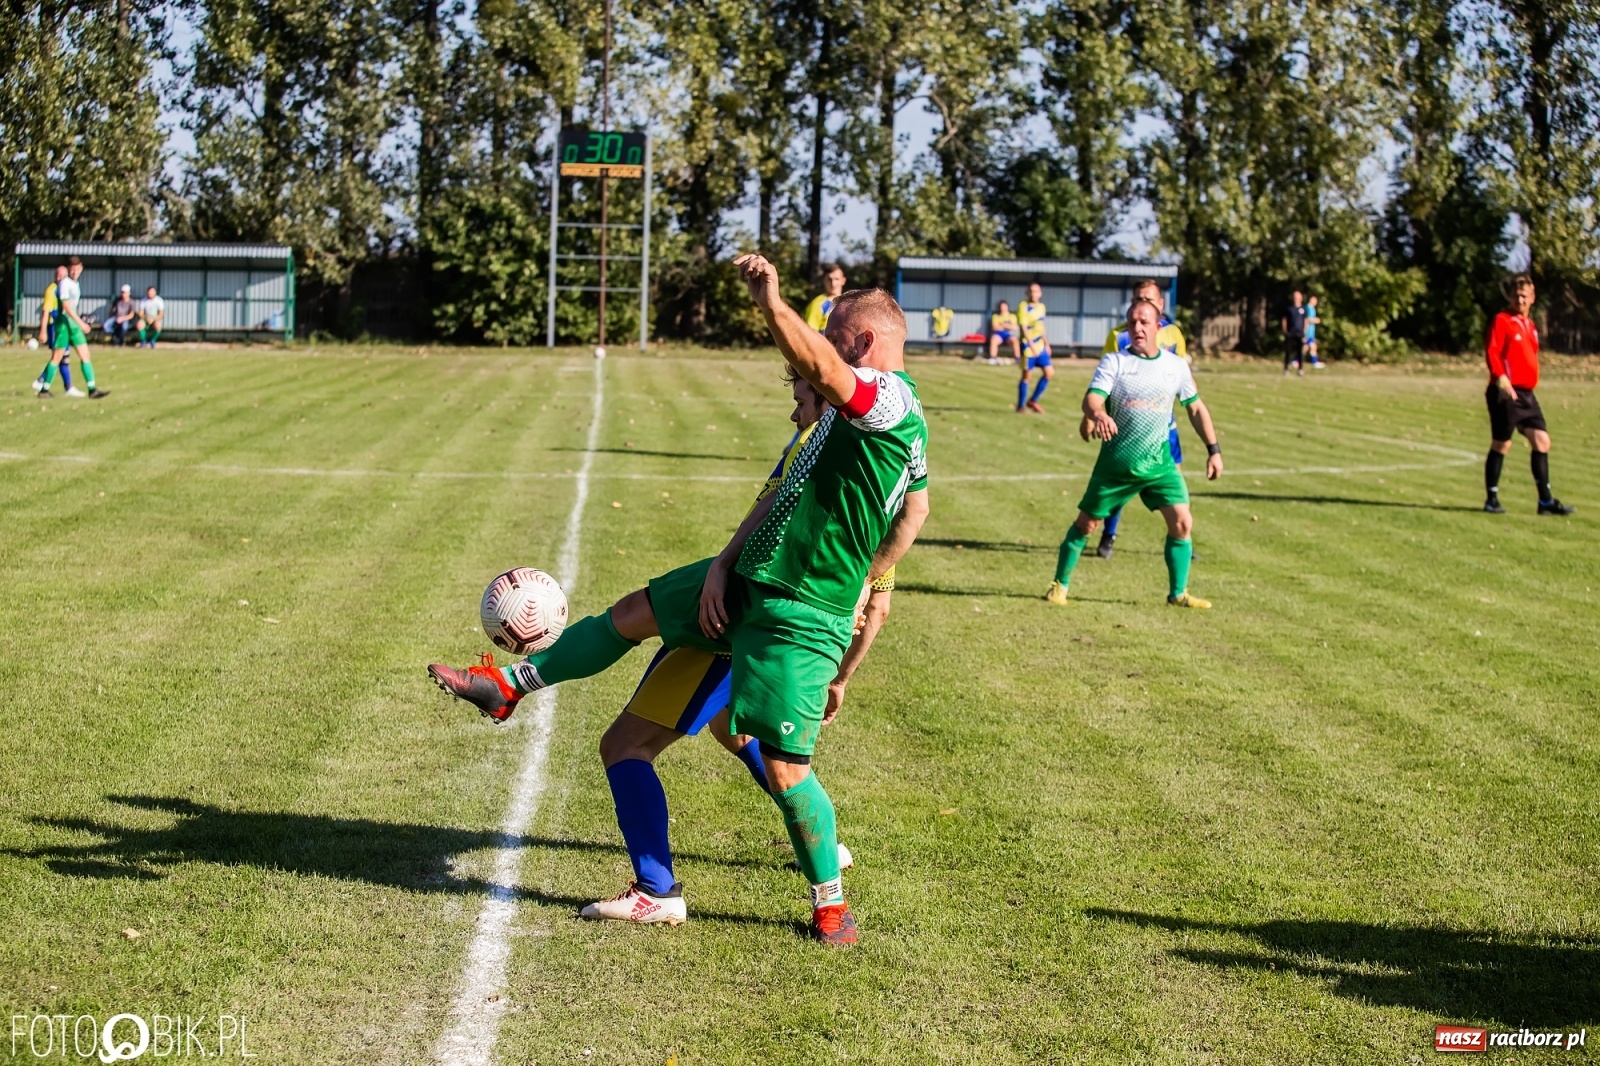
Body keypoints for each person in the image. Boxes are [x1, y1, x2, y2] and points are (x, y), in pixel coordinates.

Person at [429, 254, 930, 946]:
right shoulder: (831, 428)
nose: (824, 342)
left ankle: (831, 907)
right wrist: (724, 563)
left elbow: (902, 503)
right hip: (743, 578)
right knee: (630, 642)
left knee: (786, 768)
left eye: (834, 330)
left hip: (799, 608)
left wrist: (770, 301)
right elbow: (887, 508)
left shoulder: (890, 400)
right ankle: (513, 689)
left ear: (864, 342)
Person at [578, 372, 913, 926]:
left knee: (631, 746)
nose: (794, 416)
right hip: (767, 623)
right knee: (733, 730)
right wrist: (842, 675)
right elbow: (878, 602)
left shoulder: (822, 474)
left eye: (802, 401)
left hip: (744, 625)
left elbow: (867, 595)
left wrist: (723, 570)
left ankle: (661, 892)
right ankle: (827, 857)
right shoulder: (874, 484)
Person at [1046, 298, 1222, 609]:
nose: (1137, 327)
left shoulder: (1176, 366)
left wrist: (1213, 450)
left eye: (1143, 322)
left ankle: (1178, 594)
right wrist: (1099, 414)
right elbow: (1091, 400)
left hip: (1160, 464)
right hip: (1116, 465)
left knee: (1182, 522)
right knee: (1087, 524)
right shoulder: (1115, 363)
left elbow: (1195, 407)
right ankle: (1059, 585)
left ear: (1158, 326)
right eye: (1132, 322)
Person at [1096, 279, 1188, 560]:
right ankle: (1108, 535)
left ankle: (1182, 536)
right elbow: (1104, 383)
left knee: (1175, 484)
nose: (1143, 303)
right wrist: (1095, 415)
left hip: (1165, 427)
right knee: (1120, 485)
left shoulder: (1174, 335)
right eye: (1138, 298)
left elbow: (1181, 378)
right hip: (1128, 428)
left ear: (1160, 305)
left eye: (1149, 299)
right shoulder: (1118, 336)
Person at [1483, 274, 1573, 516]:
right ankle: (1491, 498)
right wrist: (1502, 380)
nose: (1520, 299)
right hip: (1506, 392)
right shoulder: (1502, 320)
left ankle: (1545, 503)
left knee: (1542, 441)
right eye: (1516, 294)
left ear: (1532, 299)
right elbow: (1493, 352)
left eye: (1524, 295)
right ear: (1511, 296)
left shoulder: (1530, 326)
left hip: (1527, 395)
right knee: (1502, 444)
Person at [51, 257, 109, 400]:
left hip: (73, 325)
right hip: (65, 324)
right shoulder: (65, 283)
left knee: (85, 355)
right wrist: (81, 323)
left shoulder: (75, 284)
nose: (75, 271)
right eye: (72, 268)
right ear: (68, 268)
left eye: (77, 268)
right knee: (56, 357)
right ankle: (44, 388)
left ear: (81, 268)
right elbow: (65, 307)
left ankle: (92, 389)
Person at [31, 265, 74, 397]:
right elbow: (46, 312)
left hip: (62, 327)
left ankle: (67, 387)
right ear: (55, 276)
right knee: (59, 356)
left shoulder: (65, 288)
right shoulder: (52, 290)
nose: (61, 278)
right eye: (58, 275)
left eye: (63, 275)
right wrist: (43, 330)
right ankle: (42, 381)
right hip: (54, 328)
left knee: (61, 357)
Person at [1016, 283, 1051, 412]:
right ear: (1027, 293)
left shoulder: (1042, 307)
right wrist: (1031, 345)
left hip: (1040, 345)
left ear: (1040, 293)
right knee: (1027, 376)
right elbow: (1023, 327)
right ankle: (1021, 406)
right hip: (1028, 346)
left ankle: (1033, 400)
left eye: (1036, 291)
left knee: (1049, 373)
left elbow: (1041, 327)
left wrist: (1046, 343)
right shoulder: (1023, 306)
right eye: (1031, 291)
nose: (1033, 294)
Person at [804, 263, 847, 332]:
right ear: (824, 280)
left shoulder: (849, 303)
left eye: (836, 279)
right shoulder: (817, 304)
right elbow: (809, 333)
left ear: (843, 281)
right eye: (829, 279)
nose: (833, 283)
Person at [1282, 291, 1308, 376]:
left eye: (1298, 297)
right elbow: (1284, 319)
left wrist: (1305, 331)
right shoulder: (1289, 308)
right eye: (1295, 297)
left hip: (1300, 333)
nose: (1296, 298)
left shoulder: (1303, 309)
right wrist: (1285, 331)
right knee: (1288, 351)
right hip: (1291, 332)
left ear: (1301, 298)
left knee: (1300, 352)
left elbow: (1305, 320)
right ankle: (1286, 369)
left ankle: (1300, 369)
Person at [988, 300, 1020, 364]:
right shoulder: (996, 316)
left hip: (1009, 334)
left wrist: (1002, 325)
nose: (1003, 308)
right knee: (993, 339)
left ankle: (1017, 358)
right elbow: (995, 327)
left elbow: (1014, 327)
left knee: (1015, 340)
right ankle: (993, 358)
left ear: (1007, 307)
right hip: (999, 334)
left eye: (1004, 306)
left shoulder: (1012, 316)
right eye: (1001, 306)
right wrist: (1007, 326)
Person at [1304, 295, 1325, 368]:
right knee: (1308, 347)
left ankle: (1297, 361)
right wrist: (1315, 320)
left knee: (1309, 347)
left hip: (1311, 332)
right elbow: (1306, 319)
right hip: (1307, 332)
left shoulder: (1313, 308)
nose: (1316, 302)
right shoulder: (1307, 308)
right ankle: (1314, 362)